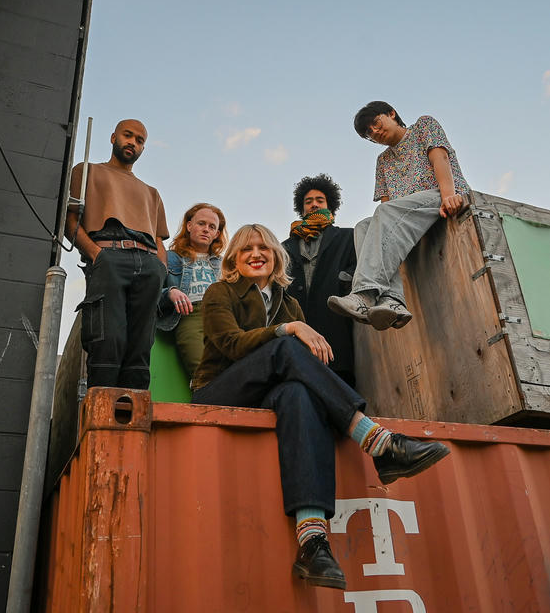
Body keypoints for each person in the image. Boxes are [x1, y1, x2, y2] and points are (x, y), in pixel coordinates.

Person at [192, 223, 450, 591]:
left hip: (267, 393)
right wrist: (288, 330)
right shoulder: (221, 292)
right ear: (234, 259)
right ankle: (378, 442)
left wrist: (293, 331)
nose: (256, 254)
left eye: (263, 248)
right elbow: (231, 345)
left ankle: (312, 543)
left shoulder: (289, 303)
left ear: (276, 256)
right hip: (219, 390)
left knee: (298, 394)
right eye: (246, 249)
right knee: (286, 347)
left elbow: (298, 365)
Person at [328, 101, 471, 330]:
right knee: (364, 226)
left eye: (376, 123)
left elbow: (440, 159)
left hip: (438, 194)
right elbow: (385, 208)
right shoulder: (383, 161)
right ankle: (392, 301)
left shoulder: (423, 125)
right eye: (369, 133)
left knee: (384, 212)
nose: (375, 132)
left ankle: (364, 294)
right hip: (407, 215)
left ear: (392, 114)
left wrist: (448, 196)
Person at [65, 119, 169, 389]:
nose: (133, 142)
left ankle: (131, 411)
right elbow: (70, 220)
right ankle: (100, 411)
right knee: (107, 340)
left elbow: (159, 238)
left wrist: (160, 268)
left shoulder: (152, 193)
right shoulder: (87, 171)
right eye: (128, 135)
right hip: (109, 254)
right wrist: (97, 254)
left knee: (141, 346)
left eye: (139, 140)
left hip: (148, 261)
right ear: (113, 137)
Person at [283, 174, 356, 386]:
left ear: (329, 205)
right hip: (297, 334)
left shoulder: (348, 237)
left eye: (319, 200)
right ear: (302, 208)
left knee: (339, 389)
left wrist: (342, 280)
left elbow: (357, 268)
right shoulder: (284, 247)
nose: (314, 204)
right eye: (308, 201)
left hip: (336, 329)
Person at [157, 203, 227, 376]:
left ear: (217, 234)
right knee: (203, 374)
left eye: (212, 227)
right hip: (190, 315)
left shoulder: (225, 263)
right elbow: (150, 291)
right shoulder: (170, 257)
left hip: (223, 317)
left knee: (231, 371)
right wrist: (170, 292)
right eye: (201, 223)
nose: (206, 229)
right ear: (189, 226)